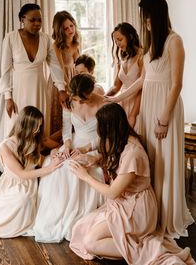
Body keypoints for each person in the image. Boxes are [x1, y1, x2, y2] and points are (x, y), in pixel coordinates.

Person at [106, 0, 194, 237]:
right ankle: (151, 213)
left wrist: (164, 119)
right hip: (148, 106)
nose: (144, 22)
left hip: (165, 107)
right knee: (152, 160)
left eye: (146, 17)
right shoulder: (152, 46)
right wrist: (116, 98)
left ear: (155, 15)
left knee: (165, 162)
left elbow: (176, 84)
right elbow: (143, 82)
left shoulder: (174, 41)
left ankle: (168, 214)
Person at [69, 103, 195, 264]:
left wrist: (85, 176)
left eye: (101, 128)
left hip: (136, 210)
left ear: (111, 128)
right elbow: (114, 157)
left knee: (90, 243)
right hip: (123, 202)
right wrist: (95, 159)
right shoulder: (121, 140)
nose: (99, 132)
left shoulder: (133, 153)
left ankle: (143, 249)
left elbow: (112, 192)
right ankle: (129, 243)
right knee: (80, 228)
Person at [0, 106, 63, 239]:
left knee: (30, 199)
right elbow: (22, 174)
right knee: (22, 200)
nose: (37, 130)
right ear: (25, 125)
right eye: (35, 127)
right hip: (14, 185)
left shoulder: (34, 139)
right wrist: (50, 169)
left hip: (30, 183)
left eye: (39, 126)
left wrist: (54, 153)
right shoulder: (6, 146)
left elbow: (46, 153)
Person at [30, 74, 105, 243]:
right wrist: (68, 146)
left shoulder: (103, 103)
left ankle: (76, 216)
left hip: (93, 147)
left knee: (77, 169)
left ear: (90, 92)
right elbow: (66, 129)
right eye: (76, 99)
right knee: (58, 166)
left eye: (82, 100)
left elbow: (105, 135)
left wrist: (86, 149)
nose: (78, 103)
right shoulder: (69, 103)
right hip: (74, 143)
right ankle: (56, 213)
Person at [0, 3, 67, 170]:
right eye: (32, 20)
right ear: (22, 20)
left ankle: (36, 164)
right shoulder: (11, 38)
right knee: (19, 126)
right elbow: (5, 71)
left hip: (39, 89)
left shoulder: (45, 39)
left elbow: (55, 66)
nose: (37, 24)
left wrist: (61, 89)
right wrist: (8, 96)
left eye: (39, 20)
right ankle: (17, 165)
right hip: (19, 90)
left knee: (39, 128)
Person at [106, 22, 143, 128]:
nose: (117, 43)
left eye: (120, 39)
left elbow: (141, 89)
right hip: (122, 103)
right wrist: (103, 98)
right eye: (115, 41)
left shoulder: (142, 56)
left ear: (130, 36)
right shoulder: (122, 58)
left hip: (138, 105)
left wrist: (133, 115)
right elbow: (115, 87)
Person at [49, 10, 80, 134]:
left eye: (71, 26)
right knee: (61, 114)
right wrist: (68, 88)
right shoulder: (56, 46)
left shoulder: (76, 43)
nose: (70, 30)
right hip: (61, 82)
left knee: (74, 114)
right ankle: (57, 145)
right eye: (66, 28)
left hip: (73, 80)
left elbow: (78, 65)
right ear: (60, 30)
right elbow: (59, 69)